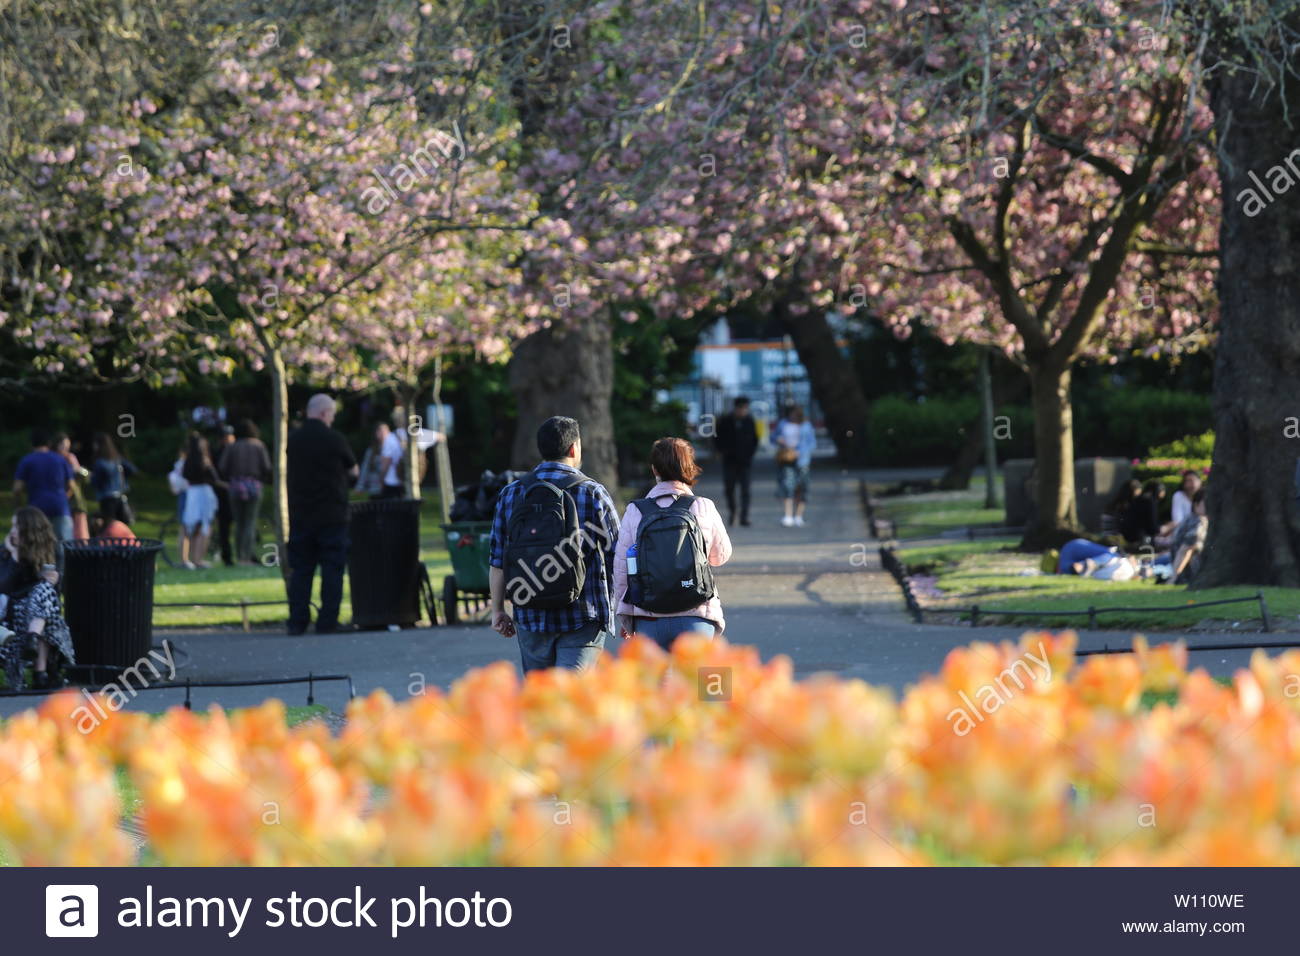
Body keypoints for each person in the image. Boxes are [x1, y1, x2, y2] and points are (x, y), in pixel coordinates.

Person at [489, 416, 619, 673]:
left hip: (530, 614)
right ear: (574, 448)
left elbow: (497, 559)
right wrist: (626, 608)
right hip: (583, 616)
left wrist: (497, 610)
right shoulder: (592, 492)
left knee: (542, 702)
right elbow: (618, 554)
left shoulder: (512, 493)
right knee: (571, 701)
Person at [613, 437, 732, 649]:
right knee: (702, 679)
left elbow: (622, 568)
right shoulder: (702, 506)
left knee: (653, 682)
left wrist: (625, 616)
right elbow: (719, 557)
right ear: (690, 467)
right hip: (697, 613)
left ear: (654, 469)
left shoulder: (635, 511)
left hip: (648, 617)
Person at [286, 394, 358, 635]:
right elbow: (353, 470)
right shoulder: (334, 439)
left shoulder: (293, 440)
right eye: (332, 414)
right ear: (325, 413)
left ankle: (297, 621)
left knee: (302, 569)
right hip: (332, 514)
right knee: (332, 568)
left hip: (300, 513)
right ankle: (327, 620)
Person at [0, 508, 75, 689]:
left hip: (39, 612)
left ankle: (33, 640)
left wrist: (54, 582)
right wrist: (15, 557)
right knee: (43, 602)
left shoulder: (54, 549)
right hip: (14, 611)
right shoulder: (6, 552)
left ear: (29, 529)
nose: (13, 531)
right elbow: (4, 588)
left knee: (44, 591)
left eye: (17, 526)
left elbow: (55, 595)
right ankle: (39, 671)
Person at [218, 419, 273, 564]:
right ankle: (247, 556)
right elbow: (267, 467)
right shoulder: (258, 446)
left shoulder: (233, 447)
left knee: (239, 522)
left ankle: (239, 555)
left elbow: (222, 467)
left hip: (235, 486)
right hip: (253, 486)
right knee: (250, 522)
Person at [13, 429, 75, 542]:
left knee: (38, 546)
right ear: (49, 443)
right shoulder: (61, 460)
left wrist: (19, 507)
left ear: (31, 444)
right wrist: (64, 498)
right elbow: (72, 486)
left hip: (36, 510)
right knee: (63, 546)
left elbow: (17, 489)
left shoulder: (27, 461)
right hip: (60, 507)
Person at [180, 432, 223, 569]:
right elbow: (215, 479)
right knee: (204, 527)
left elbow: (184, 475)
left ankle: (186, 559)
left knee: (189, 527)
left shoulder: (187, 461)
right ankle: (198, 559)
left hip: (192, 494)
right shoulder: (204, 461)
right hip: (204, 494)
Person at [714, 396, 759, 526]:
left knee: (746, 489)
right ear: (736, 408)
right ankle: (733, 512)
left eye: (745, 409)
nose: (743, 411)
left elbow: (755, 439)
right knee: (729, 488)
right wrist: (721, 451)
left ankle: (744, 516)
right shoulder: (725, 421)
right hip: (729, 461)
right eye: (741, 409)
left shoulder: (749, 421)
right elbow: (716, 438)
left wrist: (750, 453)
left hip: (745, 462)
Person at [774, 404, 816, 527]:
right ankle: (788, 515)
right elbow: (773, 437)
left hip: (802, 461)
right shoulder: (783, 424)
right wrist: (778, 439)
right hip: (786, 459)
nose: (792, 416)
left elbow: (812, 443)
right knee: (787, 485)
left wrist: (800, 452)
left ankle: (798, 516)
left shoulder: (806, 425)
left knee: (802, 488)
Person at [88, 432, 137, 525]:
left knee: (109, 526)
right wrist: (122, 478)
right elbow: (132, 470)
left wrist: (91, 477)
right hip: (120, 494)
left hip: (106, 497)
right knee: (120, 526)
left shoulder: (100, 462)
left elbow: (96, 482)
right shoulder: (117, 459)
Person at [1119, 479, 1166, 545]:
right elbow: (1153, 528)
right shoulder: (1150, 502)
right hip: (1140, 539)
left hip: (1127, 536)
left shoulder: (1138, 499)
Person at [356, 422, 391, 498]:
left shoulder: (393, 450)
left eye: (384, 431)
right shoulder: (371, 451)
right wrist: (360, 486)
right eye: (379, 431)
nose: (382, 434)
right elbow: (365, 469)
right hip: (375, 489)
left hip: (390, 488)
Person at [377, 413, 406, 499]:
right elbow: (439, 436)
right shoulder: (415, 435)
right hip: (408, 480)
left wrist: (381, 480)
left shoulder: (390, 438)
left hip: (391, 481)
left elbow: (386, 463)